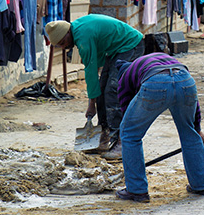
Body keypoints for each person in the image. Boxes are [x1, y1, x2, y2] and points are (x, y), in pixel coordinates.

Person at [115, 53, 204, 203]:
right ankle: (202, 185)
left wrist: (129, 131)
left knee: (129, 134)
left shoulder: (124, 78)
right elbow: (195, 104)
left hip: (156, 82)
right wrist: (197, 129)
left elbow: (126, 111)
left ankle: (136, 190)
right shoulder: (150, 60)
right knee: (189, 132)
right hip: (185, 80)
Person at [45, 15, 145, 159]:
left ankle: (122, 142)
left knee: (113, 90)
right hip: (115, 49)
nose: (64, 47)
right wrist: (96, 96)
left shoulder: (82, 38)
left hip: (130, 45)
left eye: (63, 42)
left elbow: (90, 71)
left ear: (67, 33)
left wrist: (91, 104)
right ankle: (103, 135)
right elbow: (96, 68)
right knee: (103, 88)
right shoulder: (77, 29)